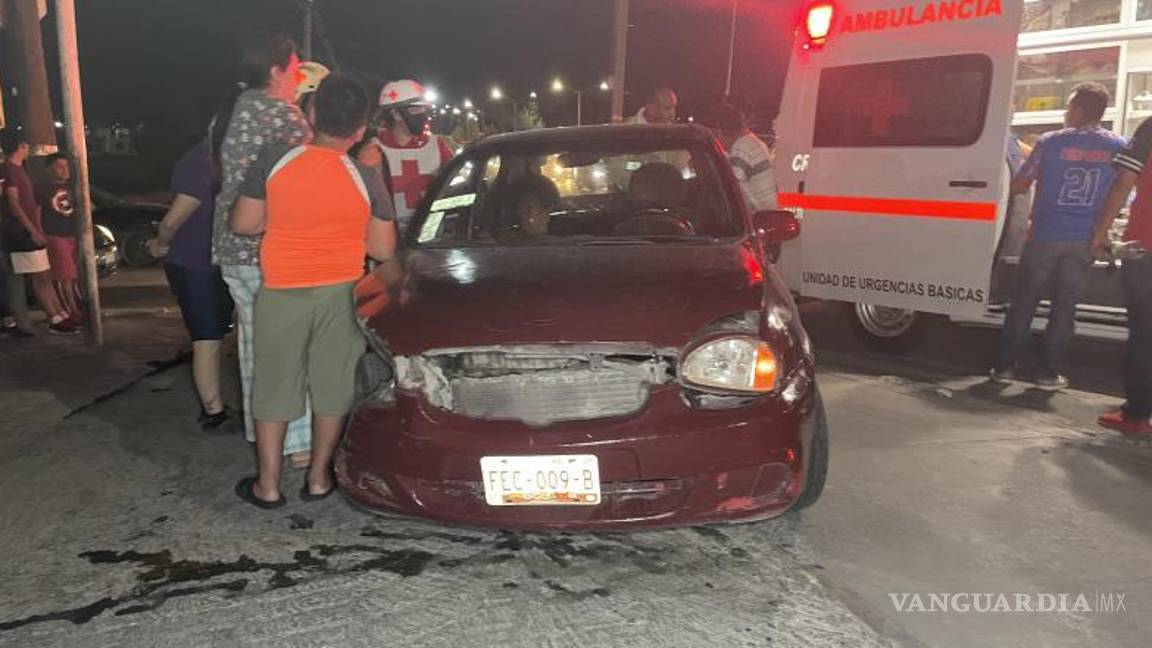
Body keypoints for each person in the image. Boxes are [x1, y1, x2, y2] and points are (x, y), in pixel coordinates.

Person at [230, 73, 397, 508]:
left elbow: (243, 224)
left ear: (313, 113)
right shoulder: (366, 176)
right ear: (361, 129)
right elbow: (381, 249)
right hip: (341, 292)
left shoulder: (275, 161)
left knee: (273, 384)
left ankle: (267, 485)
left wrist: (283, 223)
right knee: (333, 384)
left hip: (282, 290)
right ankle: (320, 478)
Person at [211, 34, 315, 467]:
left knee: (255, 345)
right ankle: (297, 443)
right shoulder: (282, 117)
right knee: (289, 347)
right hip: (268, 245)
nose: (297, 78)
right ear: (276, 72)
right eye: (293, 69)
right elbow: (308, 178)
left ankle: (267, 435)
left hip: (232, 246)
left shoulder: (241, 108)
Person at [990, 83, 1125, 390]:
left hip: (1044, 236)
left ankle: (1005, 368)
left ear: (1077, 110)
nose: (1066, 113)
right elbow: (1121, 191)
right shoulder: (1118, 146)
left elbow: (1021, 184)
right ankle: (1048, 373)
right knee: (1064, 308)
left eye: (1068, 107)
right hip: (1082, 240)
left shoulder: (1050, 143)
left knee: (1024, 303)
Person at [148, 96, 238, 431]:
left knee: (208, 339)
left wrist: (159, 243)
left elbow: (173, 220)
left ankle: (214, 411)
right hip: (215, 264)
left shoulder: (197, 161)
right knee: (211, 338)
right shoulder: (224, 162)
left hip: (197, 264)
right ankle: (214, 408)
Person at [1090, 117, 1152, 437]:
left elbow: (1123, 181)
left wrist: (1100, 232)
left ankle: (1138, 415)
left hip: (1147, 248)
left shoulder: (1150, 128)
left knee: (1145, 334)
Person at [0, 131, 78, 335]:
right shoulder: (9, 170)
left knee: (43, 274)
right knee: (39, 276)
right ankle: (54, 317)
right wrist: (32, 229)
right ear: (22, 145)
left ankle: (60, 314)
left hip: (28, 231)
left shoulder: (17, 170)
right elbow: (14, 204)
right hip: (21, 234)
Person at [357, 79, 454, 235]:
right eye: (416, 110)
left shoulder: (439, 146)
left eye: (424, 109)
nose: (422, 115)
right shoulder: (374, 150)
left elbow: (455, 188)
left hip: (429, 238)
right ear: (396, 114)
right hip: (390, 240)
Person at [700, 102, 778, 212]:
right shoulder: (750, 142)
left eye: (713, 134)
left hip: (758, 218)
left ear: (719, 132)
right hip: (764, 216)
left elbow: (729, 189)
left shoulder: (742, 148)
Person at [37, 153, 82, 320]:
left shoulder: (73, 187)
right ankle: (70, 310)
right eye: (59, 166)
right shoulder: (43, 188)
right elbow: (37, 211)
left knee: (72, 274)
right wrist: (40, 231)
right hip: (55, 235)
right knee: (64, 275)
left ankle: (76, 306)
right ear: (49, 169)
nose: (64, 170)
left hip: (73, 234)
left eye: (66, 166)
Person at [502, 174, 560, 241]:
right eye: (525, 205)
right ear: (516, 210)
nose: (532, 212)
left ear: (550, 209)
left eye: (539, 205)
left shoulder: (567, 246)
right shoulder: (502, 246)